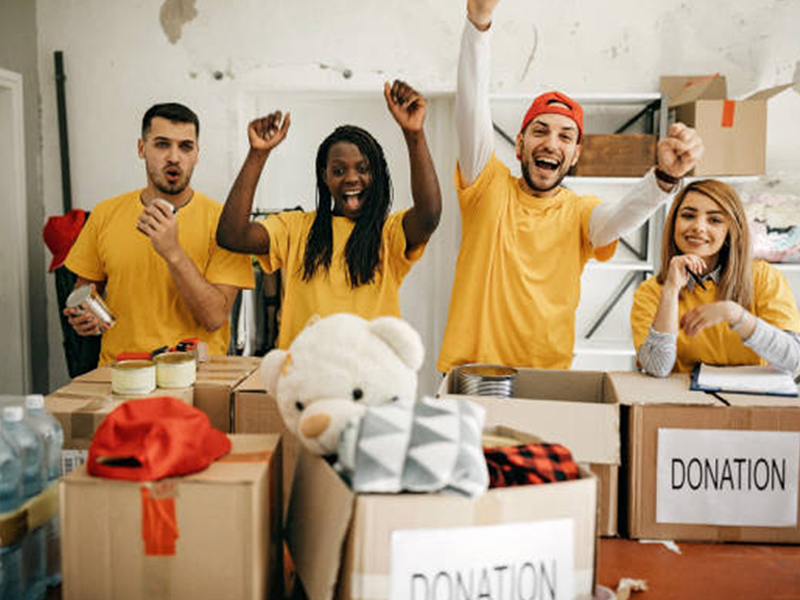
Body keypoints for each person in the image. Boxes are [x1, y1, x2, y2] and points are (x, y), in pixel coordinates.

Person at [436, 0, 706, 373]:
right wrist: (478, 25)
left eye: (565, 136)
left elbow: (619, 219)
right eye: (540, 131)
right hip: (468, 372)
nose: (551, 143)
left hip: (546, 377)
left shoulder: (581, 212)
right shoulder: (487, 185)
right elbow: (472, 110)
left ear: (575, 154)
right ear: (519, 144)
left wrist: (664, 178)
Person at [216, 80, 441, 349]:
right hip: (306, 380)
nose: (351, 178)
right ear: (325, 177)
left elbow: (429, 216)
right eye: (338, 170)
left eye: (362, 169)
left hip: (371, 382)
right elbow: (232, 235)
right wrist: (257, 155)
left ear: (376, 175)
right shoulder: (295, 228)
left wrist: (414, 133)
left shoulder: (388, 233)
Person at [64, 103, 255, 365]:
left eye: (185, 147)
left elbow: (214, 318)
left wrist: (173, 252)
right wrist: (84, 314)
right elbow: (85, 286)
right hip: (122, 372)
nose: (174, 157)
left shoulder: (224, 223)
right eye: (162, 144)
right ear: (142, 149)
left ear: (197, 154)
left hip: (195, 376)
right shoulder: (105, 213)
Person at [631, 179, 800, 376]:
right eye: (688, 216)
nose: (698, 227)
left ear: (730, 230)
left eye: (715, 220)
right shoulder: (651, 291)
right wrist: (670, 290)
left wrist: (736, 315)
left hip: (753, 402)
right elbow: (656, 367)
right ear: (674, 223)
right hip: (683, 402)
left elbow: (794, 359)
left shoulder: (763, 277)